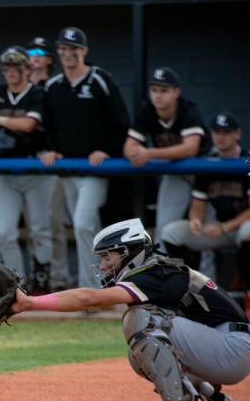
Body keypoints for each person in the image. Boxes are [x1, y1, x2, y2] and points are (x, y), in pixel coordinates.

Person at [8, 218, 249, 401]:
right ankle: (210, 396)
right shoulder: (156, 268)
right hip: (228, 346)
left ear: (128, 252)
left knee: (141, 320)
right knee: (139, 354)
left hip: (233, 347)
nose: (103, 266)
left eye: (107, 257)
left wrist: (29, 303)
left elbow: (89, 299)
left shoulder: (154, 272)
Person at [42, 27, 129, 288]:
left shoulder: (100, 79)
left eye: (74, 49)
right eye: (64, 49)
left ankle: (94, 288)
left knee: (82, 224)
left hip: (95, 170)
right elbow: (47, 127)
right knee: (83, 227)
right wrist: (51, 148)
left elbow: (121, 122)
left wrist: (107, 148)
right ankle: (95, 285)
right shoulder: (53, 85)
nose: (68, 54)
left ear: (84, 51)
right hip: (68, 169)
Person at [161, 112, 250, 315]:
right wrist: (195, 221)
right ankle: (189, 292)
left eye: (226, 132)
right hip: (220, 229)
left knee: (248, 231)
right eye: (217, 132)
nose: (221, 137)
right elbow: (198, 205)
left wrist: (225, 227)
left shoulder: (247, 160)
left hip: (239, 227)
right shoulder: (208, 163)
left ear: (238, 134)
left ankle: (248, 296)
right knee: (172, 232)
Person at [0, 46, 54, 294]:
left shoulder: (37, 93)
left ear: (27, 69)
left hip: (36, 167)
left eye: (17, 67)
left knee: (40, 229)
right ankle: (17, 283)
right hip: (6, 170)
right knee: (4, 231)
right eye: (7, 67)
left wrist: (0, 120)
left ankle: (42, 279)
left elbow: (28, 124)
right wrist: (0, 124)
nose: (12, 71)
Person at [124, 67, 210, 241]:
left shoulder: (188, 109)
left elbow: (190, 149)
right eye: (154, 90)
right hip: (176, 171)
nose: (157, 95)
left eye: (164, 90)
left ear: (176, 92)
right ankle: (161, 268)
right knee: (164, 229)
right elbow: (128, 146)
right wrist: (134, 154)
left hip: (207, 171)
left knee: (206, 228)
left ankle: (207, 269)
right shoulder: (147, 111)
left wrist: (148, 153)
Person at [28, 35, 70, 291]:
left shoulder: (54, 86)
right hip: (27, 162)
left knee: (53, 225)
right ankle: (39, 277)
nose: (34, 56)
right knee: (35, 228)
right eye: (30, 51)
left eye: (40, 52)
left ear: (49, 59)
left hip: (51, 160)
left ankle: (61, 278)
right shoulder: (20, 86)